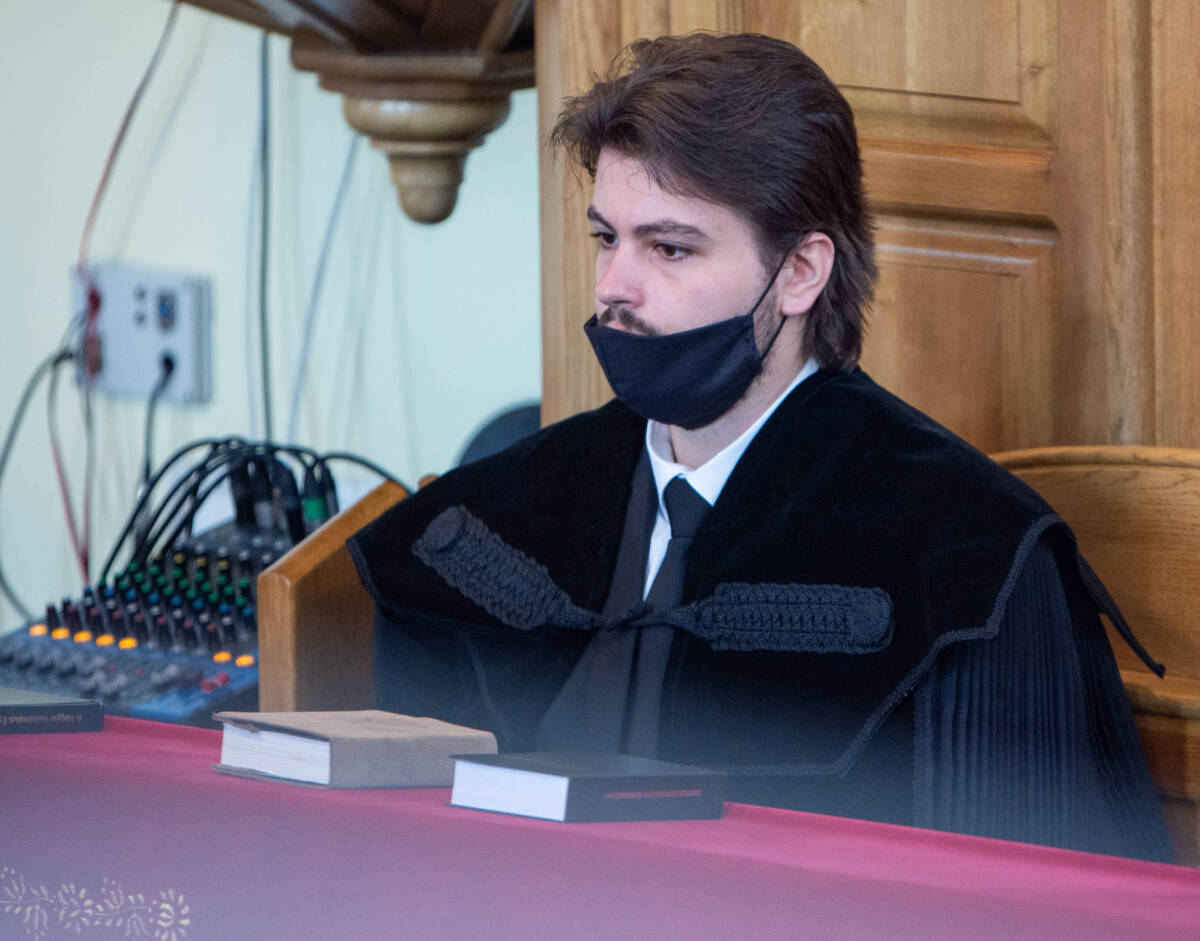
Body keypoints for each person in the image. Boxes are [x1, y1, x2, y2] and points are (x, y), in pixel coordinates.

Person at [349, 33, 1172, 861]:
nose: (612, 289)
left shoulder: (972, 561)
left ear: (801, 272)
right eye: (607, 238)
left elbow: (1022, 892)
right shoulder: (482, 522)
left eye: (670, 248)